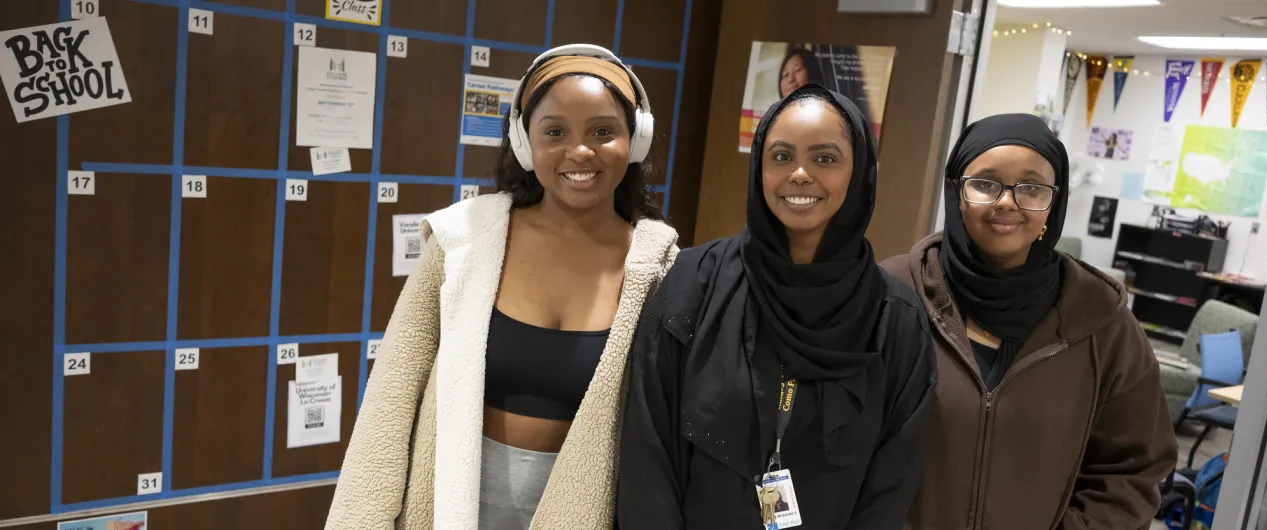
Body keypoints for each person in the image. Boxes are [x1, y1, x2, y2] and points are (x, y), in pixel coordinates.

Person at [325, 44, 678, 530]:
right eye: (555, 132)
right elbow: (389, 405)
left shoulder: (661, 269)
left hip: (584, 513)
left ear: (635, 140)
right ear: (523, 141)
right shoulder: (461, 243)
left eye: (603, 131)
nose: (579, 151)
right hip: (449, 506)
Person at [618, 84, 935, 529]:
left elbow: (891, 484)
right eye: (782, 156)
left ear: (859, 170)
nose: (800, 174)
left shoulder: (896, 319)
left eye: (825, 158)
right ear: (759, 168)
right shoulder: (693, 283)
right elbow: (646, 455)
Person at [880, 113, 1178, 529]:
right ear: (956, 192)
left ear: (1053, 200)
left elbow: (1133, 469)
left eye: (1031, 187)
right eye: (985, 183)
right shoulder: (892, 294)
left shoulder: (1102, 322)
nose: (1007, 202)